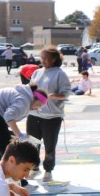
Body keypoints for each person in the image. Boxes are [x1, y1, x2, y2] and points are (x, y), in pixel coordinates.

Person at [26, 45, 71, 183]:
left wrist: (52, 96)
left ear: (53, 59)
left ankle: (48, 170)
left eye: (46, 58)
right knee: (32, 144)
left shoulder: (59, 73)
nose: (43, 60)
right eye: (42, 57)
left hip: (52, 117)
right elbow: (31, 89)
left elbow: (66, 92)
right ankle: (34, 168)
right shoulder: (37, 72)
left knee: (50, 145)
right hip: (34, 115)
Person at [0, 83, 48, 165]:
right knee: (6, 150)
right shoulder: (24, 102)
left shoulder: (24, 94)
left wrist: (14, 134)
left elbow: (7, 119)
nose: (35, 109)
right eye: (37, 105)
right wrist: (19, 135)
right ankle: (15, 175)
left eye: (39, 108)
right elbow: (9, 116)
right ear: (33, 98)